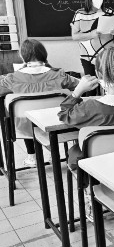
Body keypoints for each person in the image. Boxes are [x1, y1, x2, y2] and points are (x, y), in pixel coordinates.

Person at [0, 39, 78, 167]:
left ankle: (32, 157)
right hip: (56, 122)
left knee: (26, 116)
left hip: (25, 128)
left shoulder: (12, 78)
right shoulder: (60, 75)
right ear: (44, 54)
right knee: (45, 114)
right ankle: (54, 153)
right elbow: (81, 84)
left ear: (23, 56)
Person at [70, 0, 114, 87]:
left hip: (108, 55)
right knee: (91, 86)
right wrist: (91, 34)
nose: (98, 0)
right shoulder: (80, 13)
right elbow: (74, 36)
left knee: (110, 84)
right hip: (87, 56)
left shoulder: (109, 13)